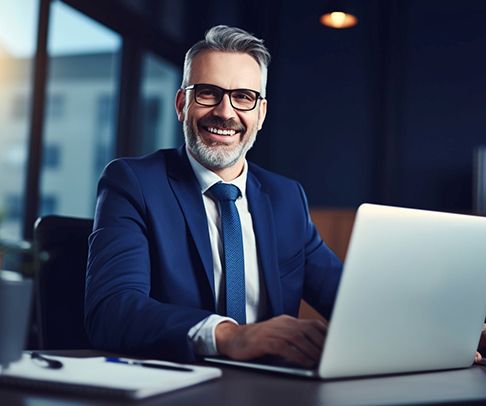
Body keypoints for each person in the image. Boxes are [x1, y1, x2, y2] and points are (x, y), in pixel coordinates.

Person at [84, 25, 342, 366]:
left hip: (276, 390)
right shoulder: (133, 183)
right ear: (181, 104)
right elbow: (111, 311)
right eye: (208, 93)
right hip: (176, 388)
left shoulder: (287, 198)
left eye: (244, 97)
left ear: (261, 114)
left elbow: (348, 303)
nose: (225, 112)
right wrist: (229, 336)